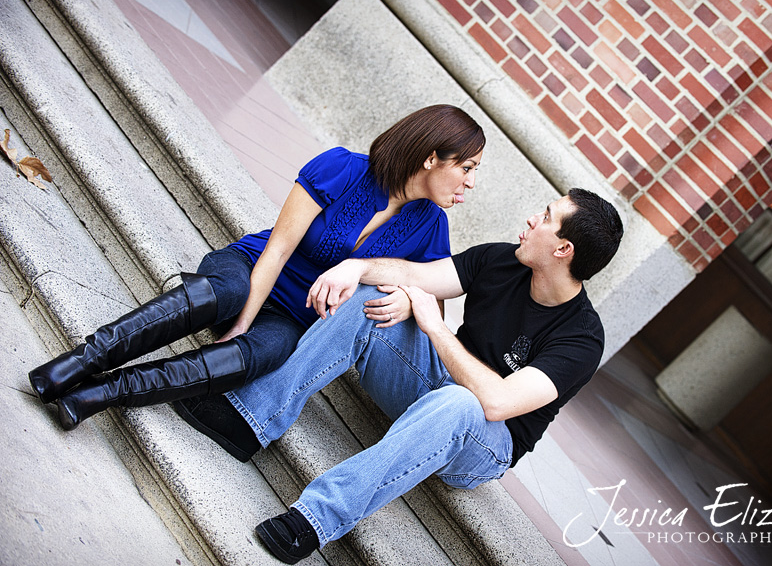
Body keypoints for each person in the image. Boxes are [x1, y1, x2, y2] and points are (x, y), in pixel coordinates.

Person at [177, 188, 623, 564]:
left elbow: (497, 403)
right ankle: (249, 418)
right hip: (436, 383)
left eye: (546, 217)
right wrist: (359, 268)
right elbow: (415, 274)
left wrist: (432, 324)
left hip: (485, 442)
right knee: (375, 294)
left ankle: (315, 519)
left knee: (462, 402)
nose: (531, 218)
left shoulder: (582, 339)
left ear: (563, 249)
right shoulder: (503, 260)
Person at [28, 104, 485, 430]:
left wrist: (405, 297)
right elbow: (280, 249)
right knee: (223, 293)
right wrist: (243, 320)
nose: (469, 183)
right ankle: (75, 364)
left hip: (295, 320)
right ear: (431, 158)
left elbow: (429, 301)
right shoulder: (343, 169)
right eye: (466, 167)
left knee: (266, 352)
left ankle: (100, 394)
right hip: (251, 268)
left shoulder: (431, 226)